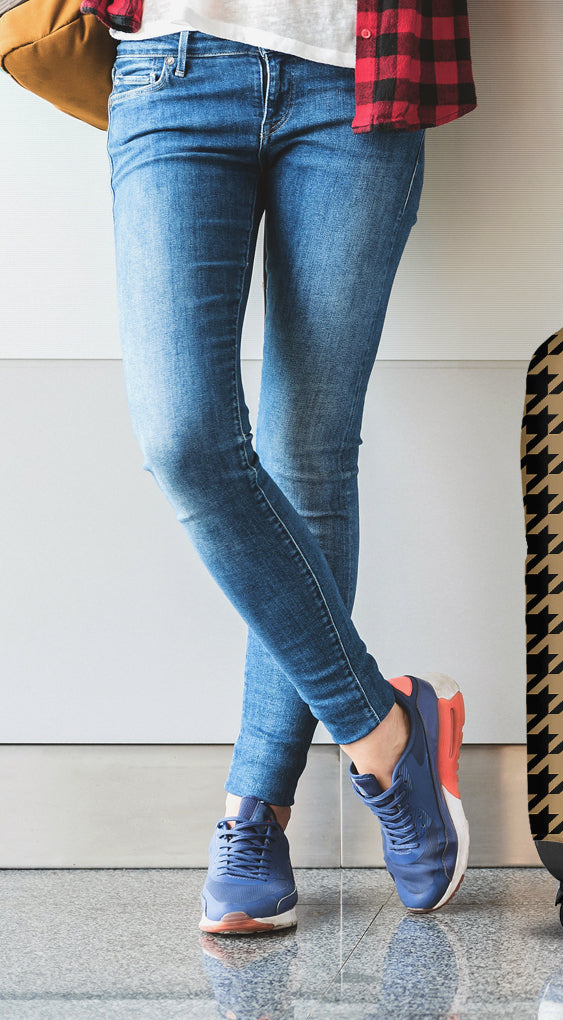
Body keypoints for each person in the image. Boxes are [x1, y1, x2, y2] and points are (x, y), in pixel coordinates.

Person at [86, 0, 476, 933]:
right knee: (184, 441)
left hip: (358, 79)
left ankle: (255, 813)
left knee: (307, 455)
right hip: (173, 70)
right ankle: (386, 731)